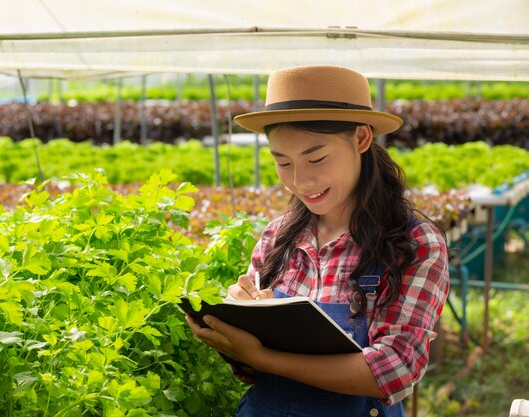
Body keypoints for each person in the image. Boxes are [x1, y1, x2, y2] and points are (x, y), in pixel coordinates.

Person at [185, 65, 449, 417]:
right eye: (283, 163)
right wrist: (240, 324)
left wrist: (263, 356)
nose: (301, 181)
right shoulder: (278, 237)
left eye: (316, 158)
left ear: (361, 139)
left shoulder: (414, 242)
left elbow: (394, 369)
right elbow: (249, 371)